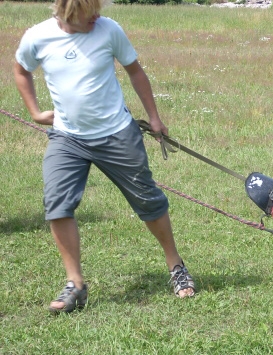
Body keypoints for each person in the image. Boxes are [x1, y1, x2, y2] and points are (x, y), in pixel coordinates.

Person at [13, 0, 195, 313]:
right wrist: (34, 112)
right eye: (90, 10)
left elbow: (135, 72)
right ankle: (75, 284)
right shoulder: (37, 37)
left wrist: (153, 117)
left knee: (148, 200)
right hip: (67, 137)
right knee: (57, 204)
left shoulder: (109, 30)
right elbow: (20, 70)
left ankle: (175, 264)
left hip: (116, 133)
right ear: (70, 11)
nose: (98, 14)